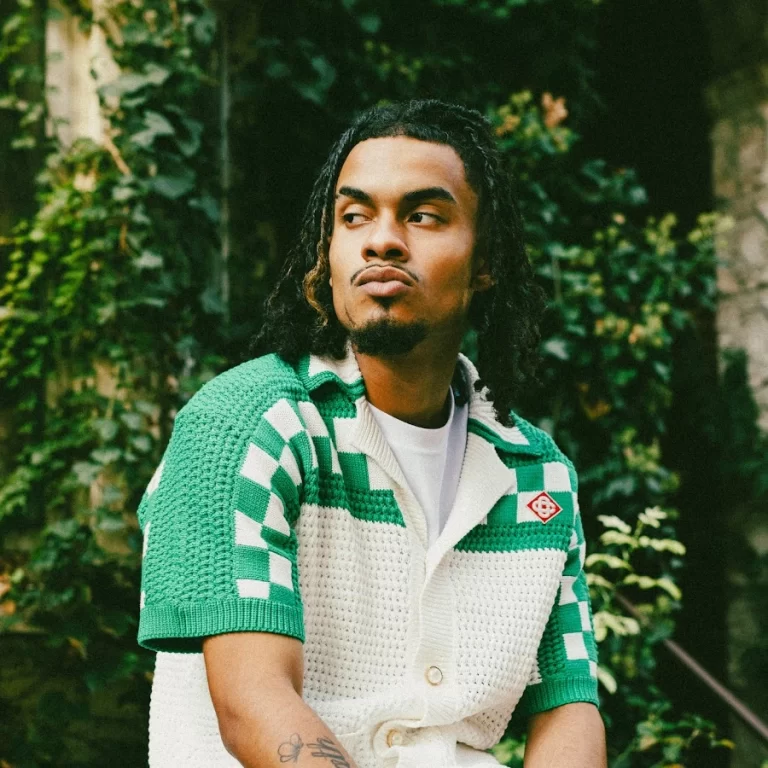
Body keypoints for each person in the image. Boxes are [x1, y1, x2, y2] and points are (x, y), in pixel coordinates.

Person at [137, 99, 606, 768]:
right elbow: (251, 702)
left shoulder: (539, 475)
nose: (381, 239)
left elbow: (570, 710)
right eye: (354, 216)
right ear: (327, 256)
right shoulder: (244, 425)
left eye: (423, 215)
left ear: (485, 262)